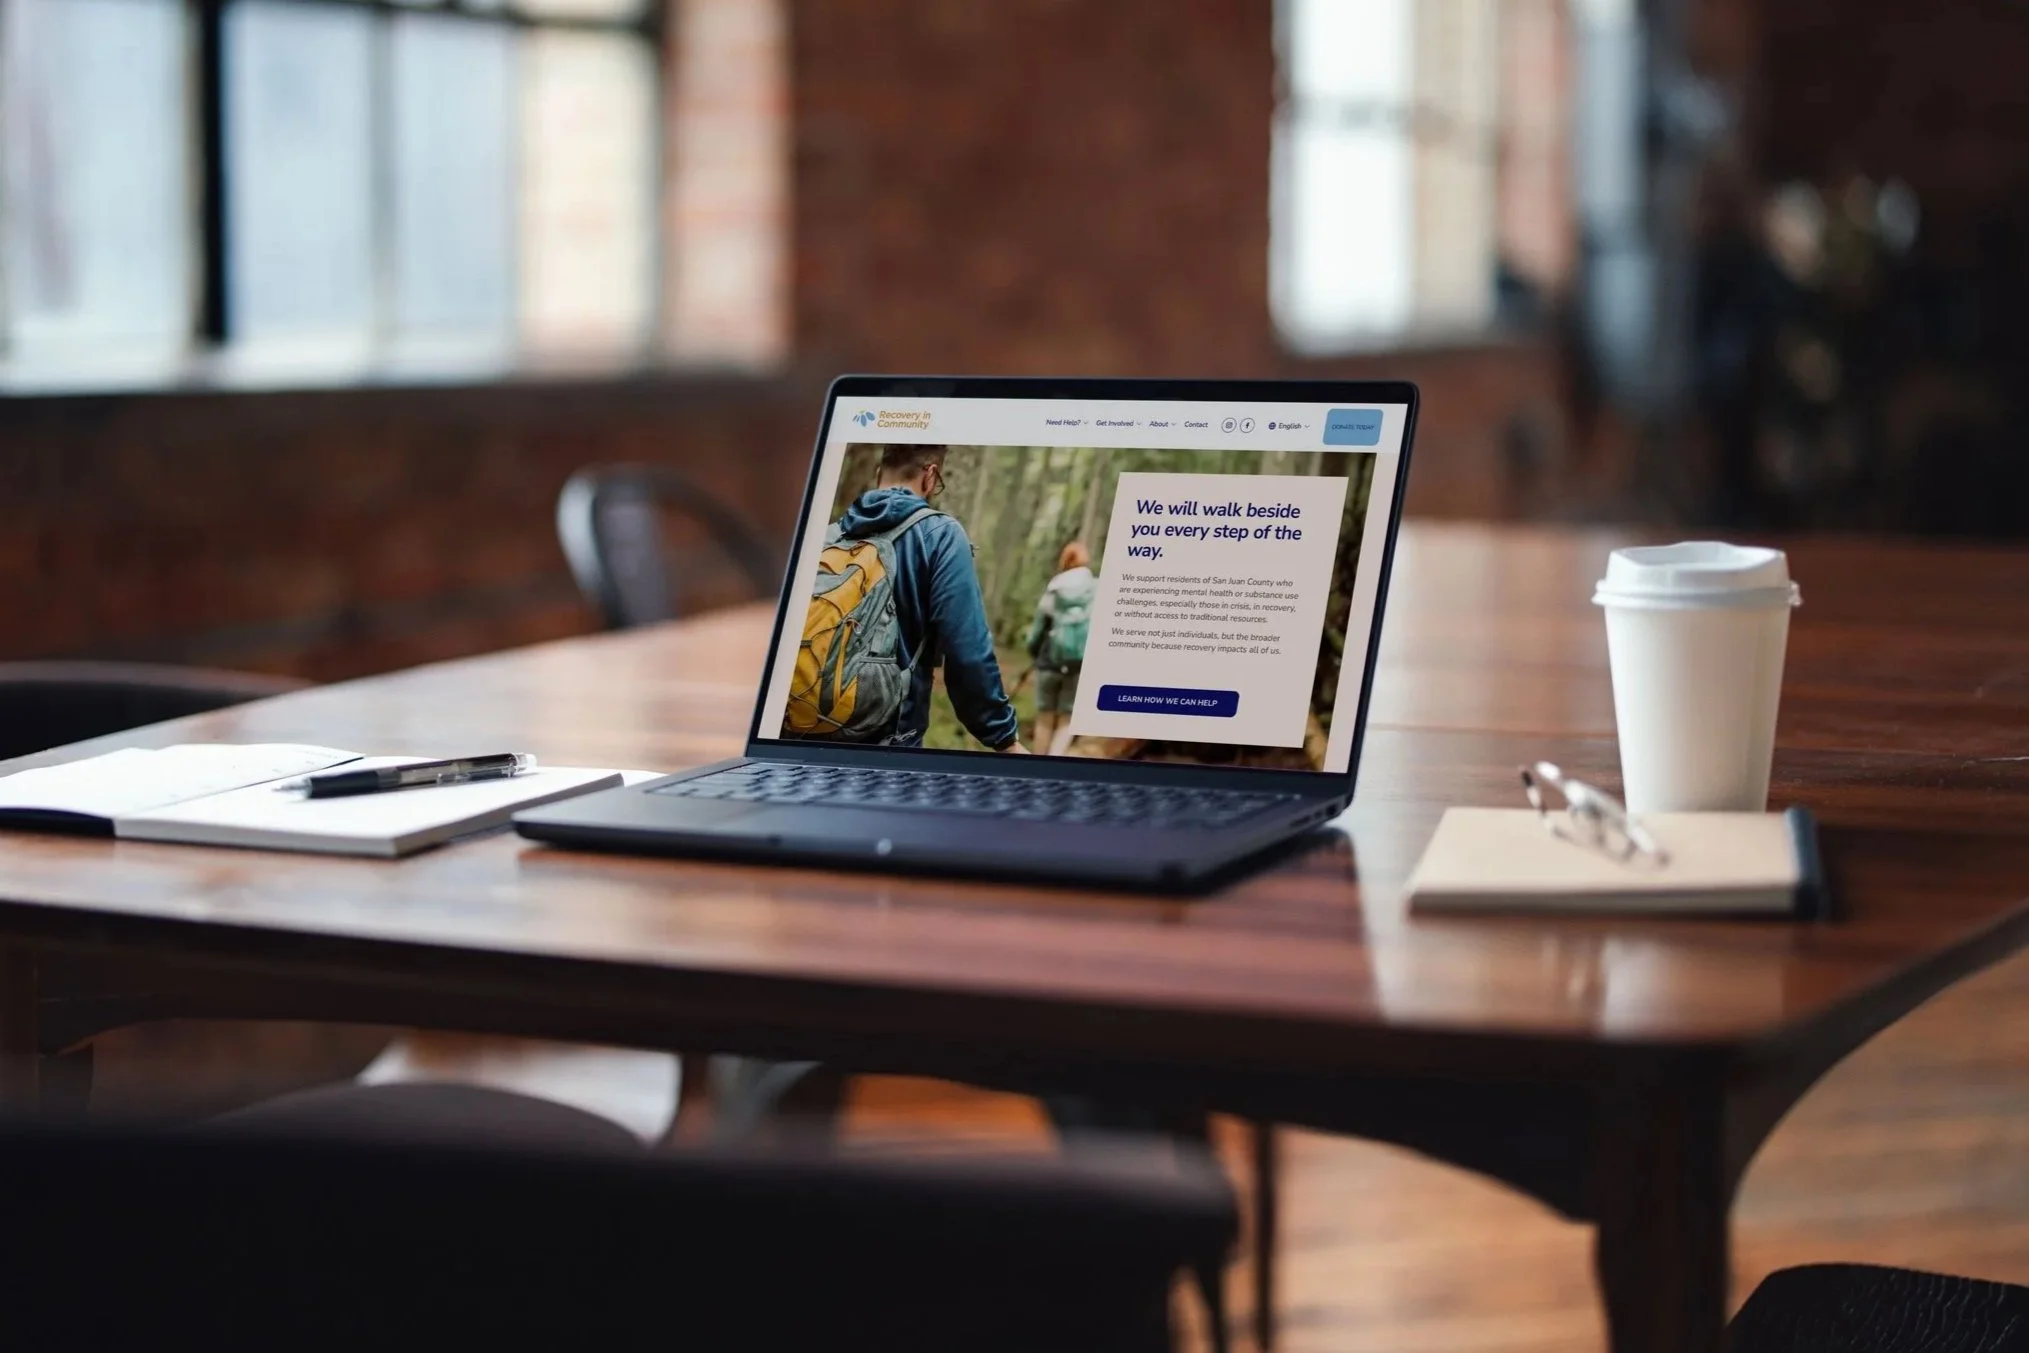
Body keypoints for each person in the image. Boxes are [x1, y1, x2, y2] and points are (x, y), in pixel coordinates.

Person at [831, 445, 1026, 752]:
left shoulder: (831, 535)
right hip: (887, 744)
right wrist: (1003, 737)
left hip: (802, 728)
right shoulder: (940, 535)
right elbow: (968, 652)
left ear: (880, 474)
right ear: (930, 476)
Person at [1025, 541, 1095, 756]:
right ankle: (1056, 764)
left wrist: (1034, 653)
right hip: (1078, 665)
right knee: (1067, 719)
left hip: (1049, 662)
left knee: (1045, 718)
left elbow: (1037, 631)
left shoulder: (1054, 589)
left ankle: (1037, 767)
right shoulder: (1095, 589)